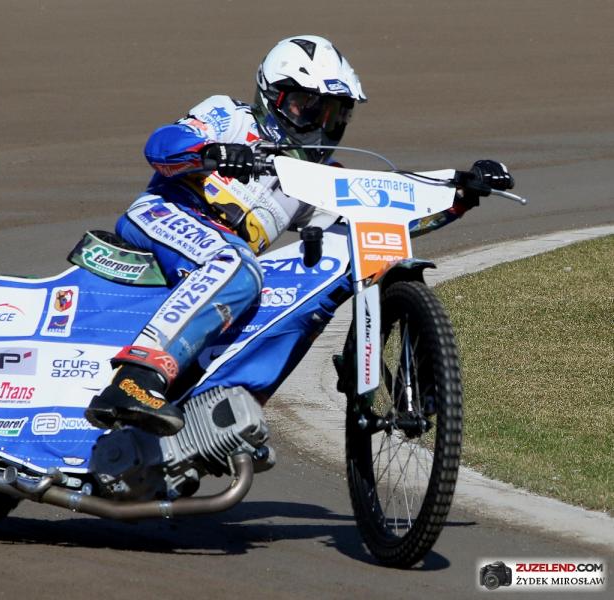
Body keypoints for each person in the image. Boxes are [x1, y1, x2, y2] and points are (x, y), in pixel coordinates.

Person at [84, 35, 514, 436]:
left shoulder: (317, 177)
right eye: (308, 108)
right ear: (272, 96)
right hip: (166, 214)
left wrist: (460, 196)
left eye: (334, 114)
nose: (320, 126)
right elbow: (162, 145)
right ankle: (135, 378)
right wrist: (210, 153)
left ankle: (208, 412)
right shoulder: (230, 115)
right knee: (236, 266)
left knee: (292, 286)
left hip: (219, 258)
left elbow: (381, 220)